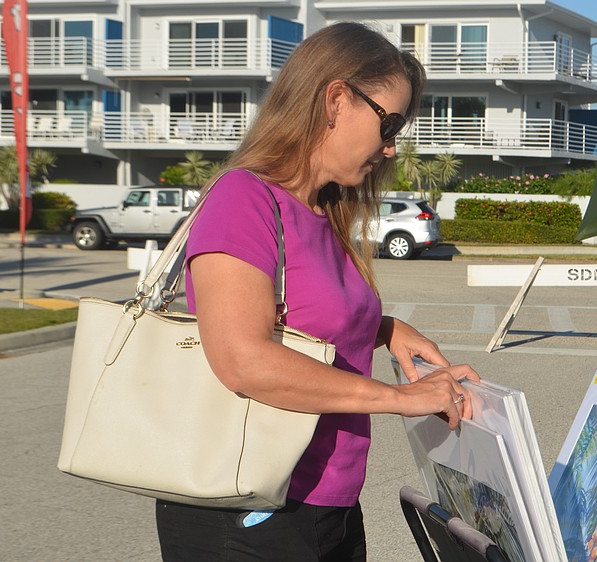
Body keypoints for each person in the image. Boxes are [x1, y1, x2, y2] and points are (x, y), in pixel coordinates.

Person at [155, 21, 480, 561]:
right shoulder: (244, 198)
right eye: (389, 123)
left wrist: (383, 329)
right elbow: (244, 359)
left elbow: (303, 321)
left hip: (325, 504)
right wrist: (399, 399)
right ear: (335, 101)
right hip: (251, 509)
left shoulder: (321, 212)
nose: (393, 148)